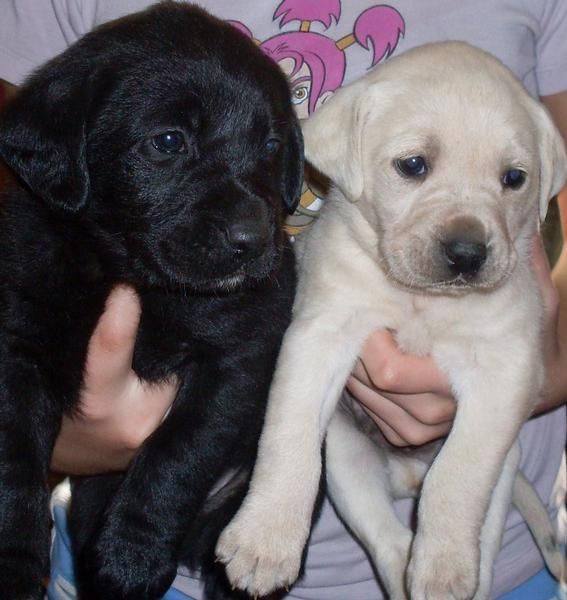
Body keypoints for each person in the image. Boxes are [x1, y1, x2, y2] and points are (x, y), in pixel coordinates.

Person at [1, 1, 566, 599]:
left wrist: (542, 372)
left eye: (269, 149)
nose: (250, 224)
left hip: (496, 558)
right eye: (168, 144)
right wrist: (59, 444)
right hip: (127, 547)